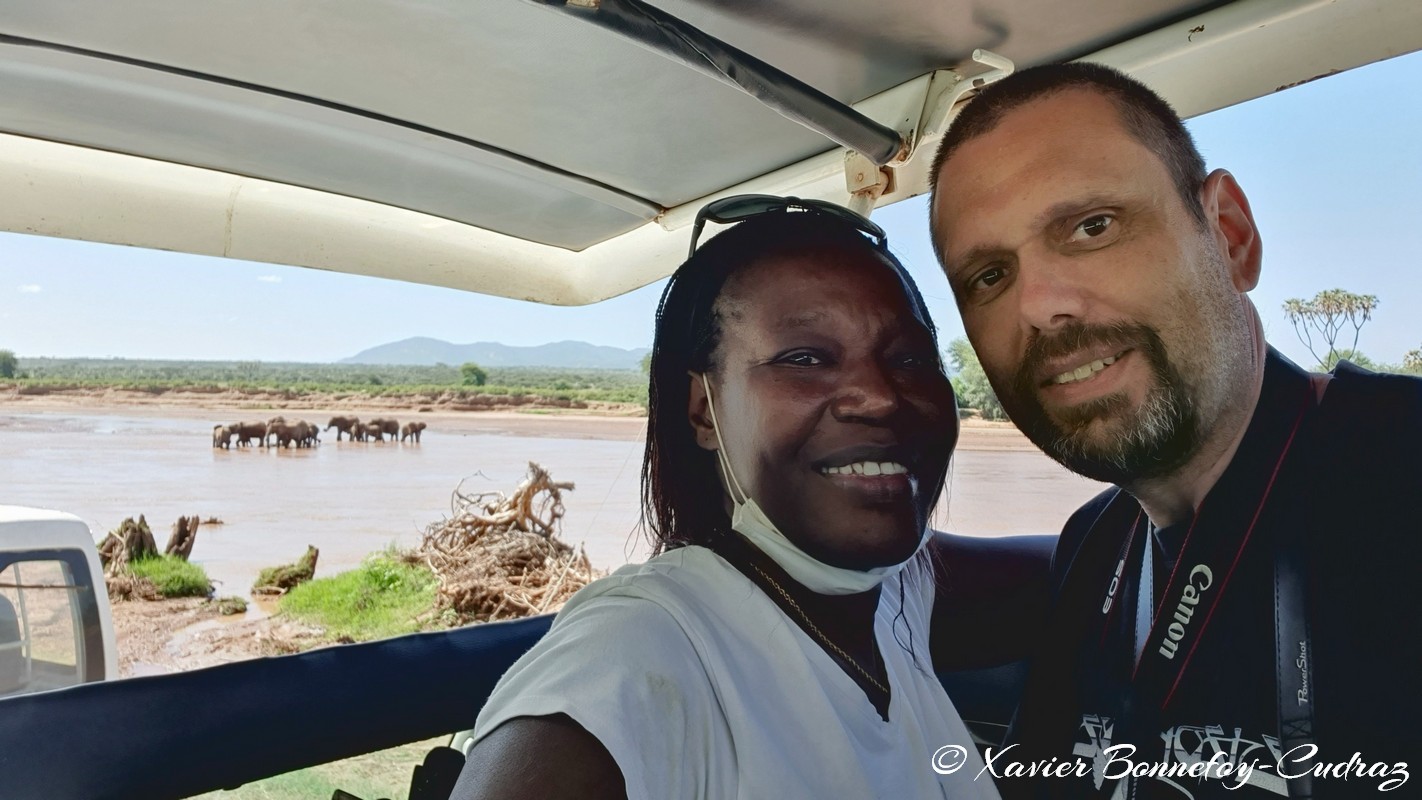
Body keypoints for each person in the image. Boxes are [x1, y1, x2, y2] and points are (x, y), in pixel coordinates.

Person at [928, 62, 1422, 799]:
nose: (1038, 305)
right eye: (989, 277)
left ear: (1229, 236)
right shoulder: (1092, 549)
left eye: (1092, 226)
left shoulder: (1401, 467)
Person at [450, 196, 1018, 799]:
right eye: (805, 358)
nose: (879, 397)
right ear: (703, 409)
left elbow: (1089, 553)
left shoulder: (897, 595)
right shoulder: (633, 650)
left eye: (908, 358)